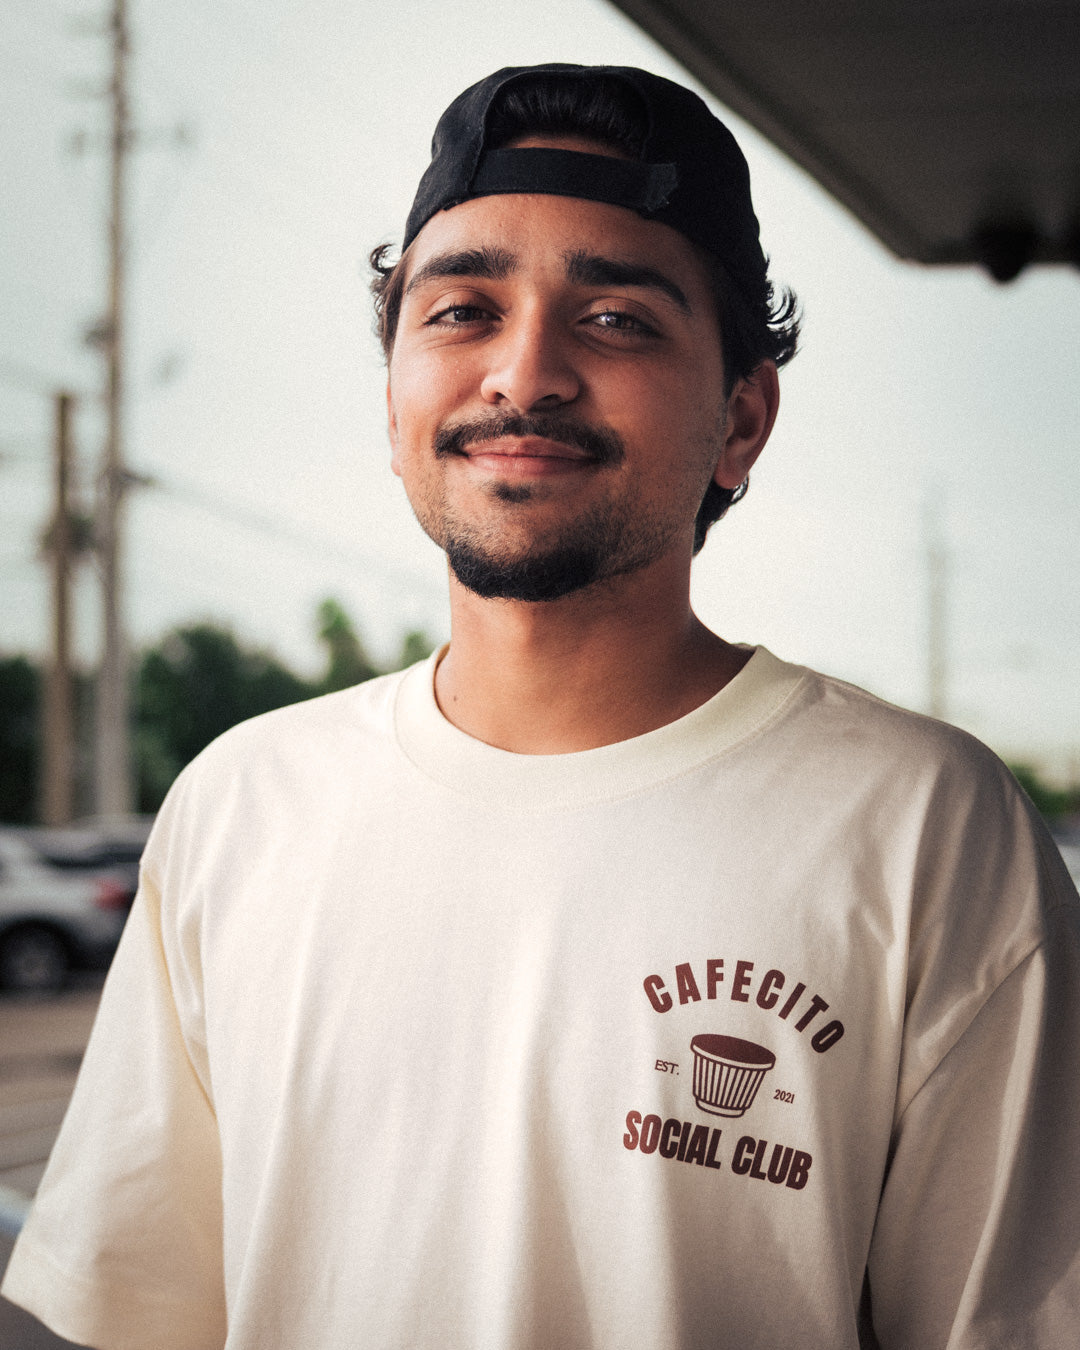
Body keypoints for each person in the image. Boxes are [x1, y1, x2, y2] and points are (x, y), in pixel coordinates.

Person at [3, 62, 1079, 1350]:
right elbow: (129, 1312)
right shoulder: (244, 801)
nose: (526, 373)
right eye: (459, 309)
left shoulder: (927, 830)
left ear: (742, 417)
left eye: (618, 317)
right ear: (393, 391)